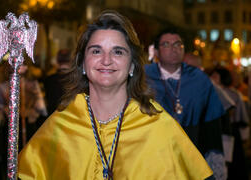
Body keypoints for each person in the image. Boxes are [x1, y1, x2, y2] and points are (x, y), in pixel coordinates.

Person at [18, 10, 213, 179]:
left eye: (118, 52)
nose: (106, 60)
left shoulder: (157, 124)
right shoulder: (60, 125)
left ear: (132, 65)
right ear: (83, 63)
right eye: (96, 51)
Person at [145, 28, 226, 179]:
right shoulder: (143, 77)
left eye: (178, 44)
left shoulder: (199, 78)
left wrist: (215, 158)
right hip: (153, 149)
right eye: (166, 44)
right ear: (156, 51)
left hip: (193, 145)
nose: (174, 49)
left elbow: (212, 120)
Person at [43, 49, 72, 117]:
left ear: (57, 61)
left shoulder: (49, 79)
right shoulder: (76, 79)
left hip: (53, 118)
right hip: (70, 119)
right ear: (71, 60)